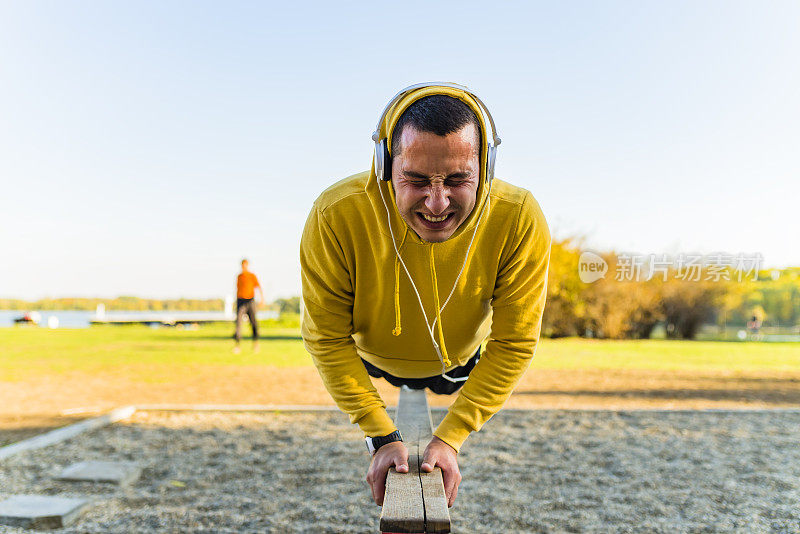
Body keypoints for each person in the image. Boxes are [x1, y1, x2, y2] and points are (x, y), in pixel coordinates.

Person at [299, 83, 551, 509]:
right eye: (415, 180)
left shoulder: (518, 217)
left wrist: (452, 436)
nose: (437, 203)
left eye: (458, 180)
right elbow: (325, 337)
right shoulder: (334, 214)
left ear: (485, 167)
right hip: (371, 359)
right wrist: (380, 433)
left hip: (456, 366)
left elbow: (514, 342)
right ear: (384, 166)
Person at [234, 258, 264, 354]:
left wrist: (262, 299)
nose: (244, 267)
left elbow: (259, 287)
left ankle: (255, 344)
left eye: (246, 265)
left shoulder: (252, 276)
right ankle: (237, 346)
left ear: (248, 265)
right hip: (240, 301)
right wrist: (236, 303)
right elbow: (237, 290)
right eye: (243, 265)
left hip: (250, 301)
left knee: (254, 323)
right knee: (238, 323)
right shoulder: (239, 276)